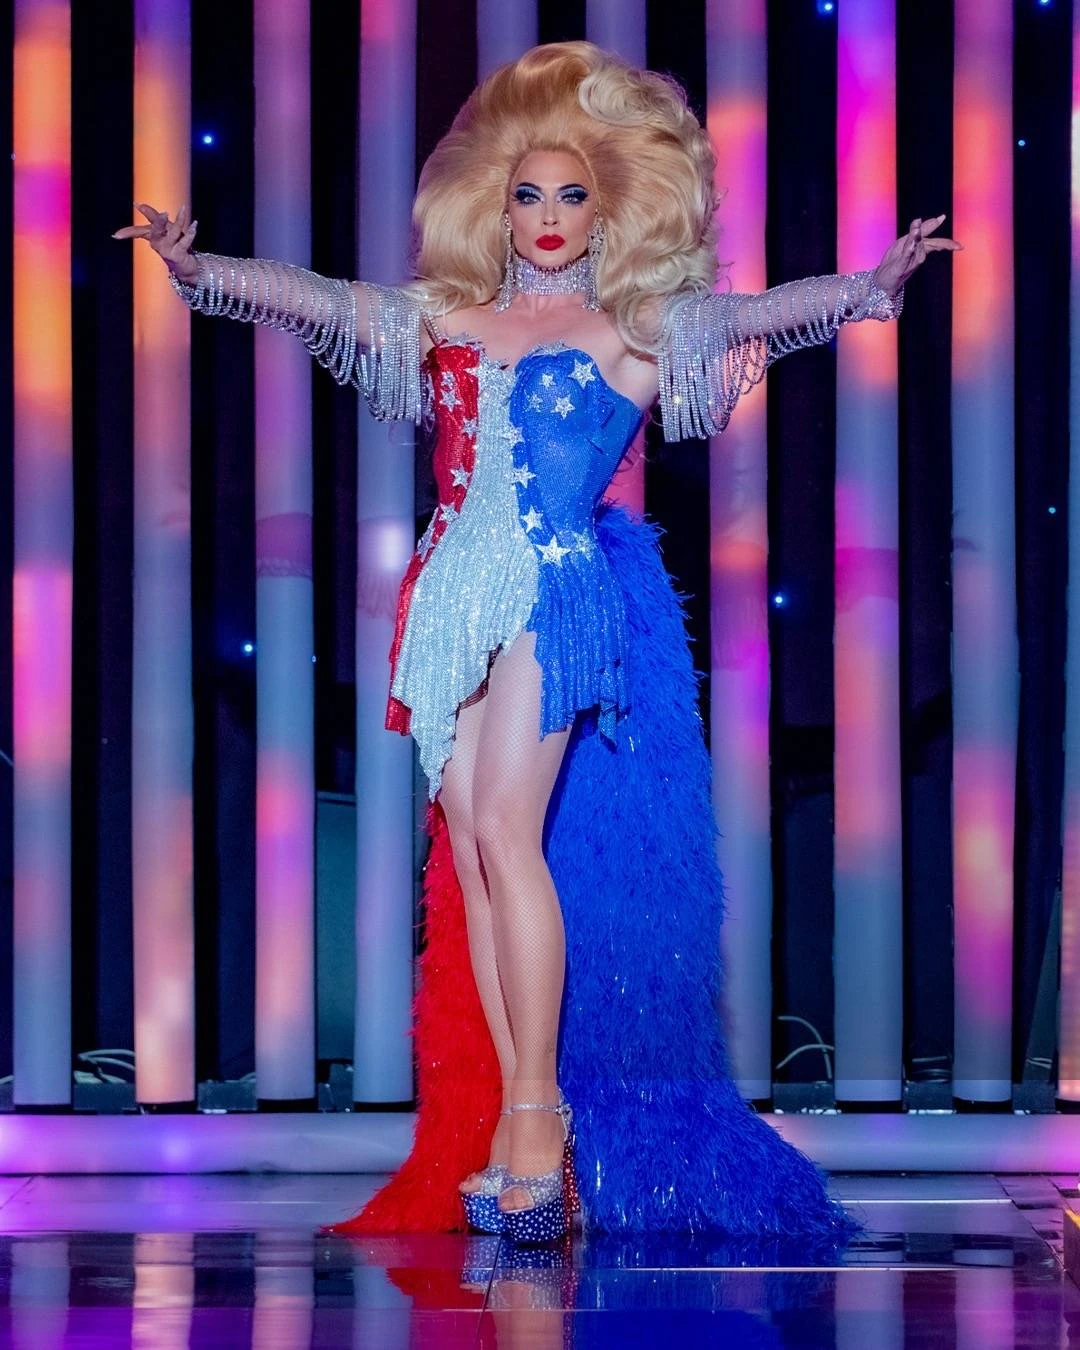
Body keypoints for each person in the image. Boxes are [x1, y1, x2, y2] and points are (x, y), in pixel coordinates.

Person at [115, 41, 958, 1246]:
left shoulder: (635, 330)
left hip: (556, 593)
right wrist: (202, 272)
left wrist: (869, 286)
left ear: (604, 210)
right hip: (452, 594)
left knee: (508, 830)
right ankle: (528, 1113)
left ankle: (534, 1113)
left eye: (572, 194)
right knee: (469, 845)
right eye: (530, 194)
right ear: (497, 206)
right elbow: (318, 299)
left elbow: (765, 316)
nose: (551, 214)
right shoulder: (450, 316)